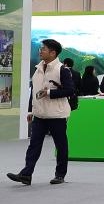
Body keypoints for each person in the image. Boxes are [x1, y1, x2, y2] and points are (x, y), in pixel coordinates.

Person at [7, 39, 76, 185]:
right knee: (34, 145)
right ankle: (26, 174)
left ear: (53, 52)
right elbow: (34, 92)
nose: (40, 51)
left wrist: (50, 92)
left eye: (43, 49)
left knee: (60, 145)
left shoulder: (62, 70)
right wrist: (31, 111)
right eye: (41, 48)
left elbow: (70, 90)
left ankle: (60, 174)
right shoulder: (38, 68)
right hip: (39, 114)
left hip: (56, 115)